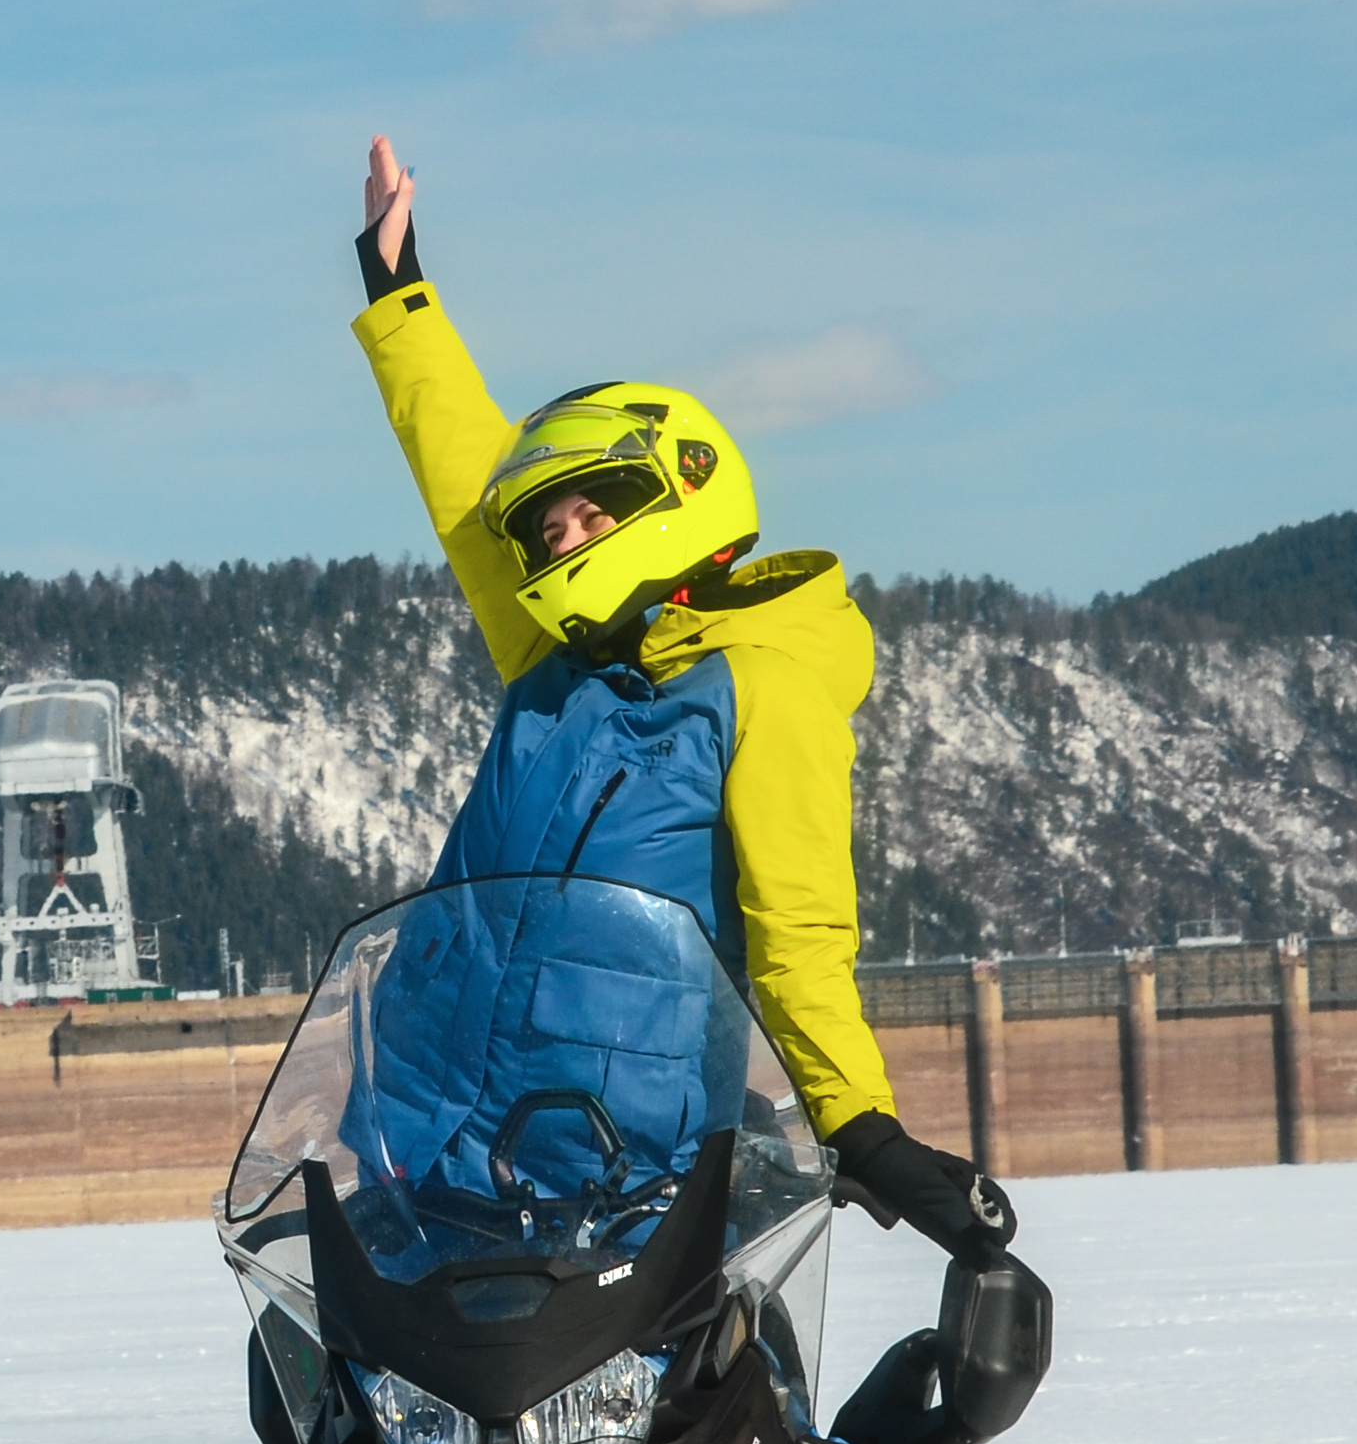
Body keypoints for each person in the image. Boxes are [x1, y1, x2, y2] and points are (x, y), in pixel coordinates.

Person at [347, 132, 1014, 1270]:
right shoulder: (558, 681)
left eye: (589, 518)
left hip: (614, 1175)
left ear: (676, 495)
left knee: (658, 1439)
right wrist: (397, 297)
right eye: (547, 531)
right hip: (419, 1150)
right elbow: (466, 494)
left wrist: (853, 1121)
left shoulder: (757, 685)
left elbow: (803, 932)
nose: (561, 546)